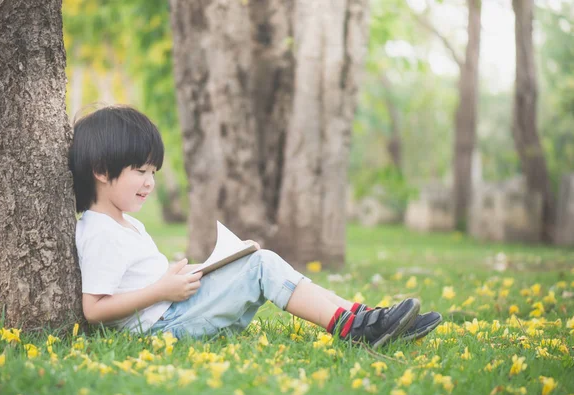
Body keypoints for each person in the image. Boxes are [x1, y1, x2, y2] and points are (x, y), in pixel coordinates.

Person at [68, 105, 442, 350]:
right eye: (139, 171)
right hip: (164, 327)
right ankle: (353, 328)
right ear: (101, 171)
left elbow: (136, 282)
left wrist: (177, 276)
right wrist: (161, 289)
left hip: (171, 312)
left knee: (256, 259)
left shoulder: (126, 224)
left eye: (153, 172)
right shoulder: (99, 231)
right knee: (262, 264)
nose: (149, 182)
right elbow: (95, 310)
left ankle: (365, 319)